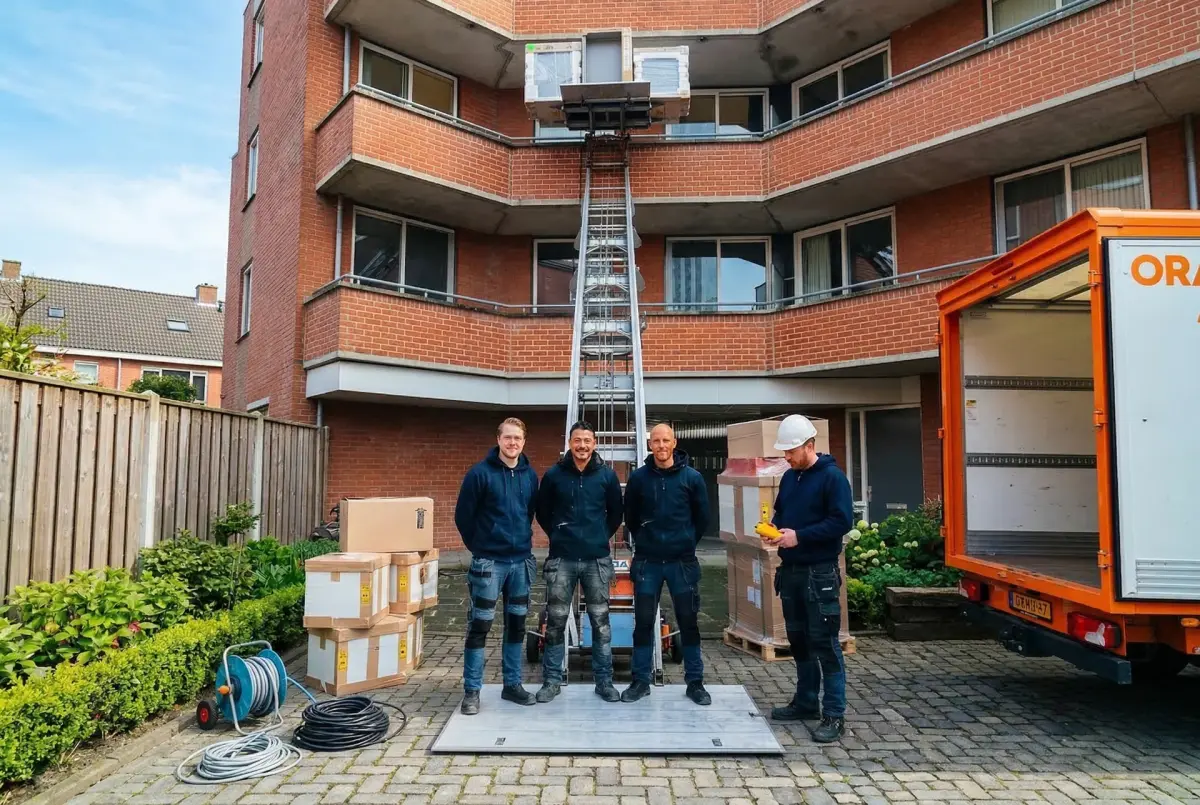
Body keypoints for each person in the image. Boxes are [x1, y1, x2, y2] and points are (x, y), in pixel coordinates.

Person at [764, 414, 854, 743]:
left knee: (825, 644)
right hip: (792, 573)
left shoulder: (832, 478)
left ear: (810, 445)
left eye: (791, 450)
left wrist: (799, 537)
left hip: (820, 573)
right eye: (784, 451)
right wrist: (775, 532)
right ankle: (805, 703)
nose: (786, 457)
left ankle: (834, 713)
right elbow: (781, 514)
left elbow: (842, 522)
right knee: (799, 641)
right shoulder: (790, 478)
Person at [453, 417, 540, 714]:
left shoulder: (530, 476)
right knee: (480, 626)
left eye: (517, 438)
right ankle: (472, 691)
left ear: (524, 441)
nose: (512, 443)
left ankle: (512, 686)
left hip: (521, 563)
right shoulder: (479, 474)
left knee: (516, 627)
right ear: (498, 440)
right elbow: (463, 517)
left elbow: (529, 513)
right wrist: (480, 547)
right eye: (507, 438)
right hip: (490, 564)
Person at [620, 423, 711, 705]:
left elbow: (702, 518)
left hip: (681, 563)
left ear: (675, 442)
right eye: (656, 441)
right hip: (648, 562)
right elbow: (631, 518)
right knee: (644, 623)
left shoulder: (692, 478)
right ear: (650, 445)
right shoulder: (638, 479)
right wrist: (647, 541)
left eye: (665, 440)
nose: (661, 446)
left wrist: (684, 543)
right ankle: (640, 681)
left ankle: (695, 682)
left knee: (689, 622)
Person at [534, 420, 624, 703]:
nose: (582, 445)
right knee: (557, 621)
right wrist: (560, 536)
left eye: (587, 440)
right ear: (569, 443)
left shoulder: (607, 477)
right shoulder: (554, 475)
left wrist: (598, 537)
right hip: (562, 559)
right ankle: (551, 681)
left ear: (594, 444)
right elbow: (542, 513)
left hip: (597, 560)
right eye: (577, 440)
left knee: (600, 622)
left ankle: (604, 682)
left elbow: (615, 514)